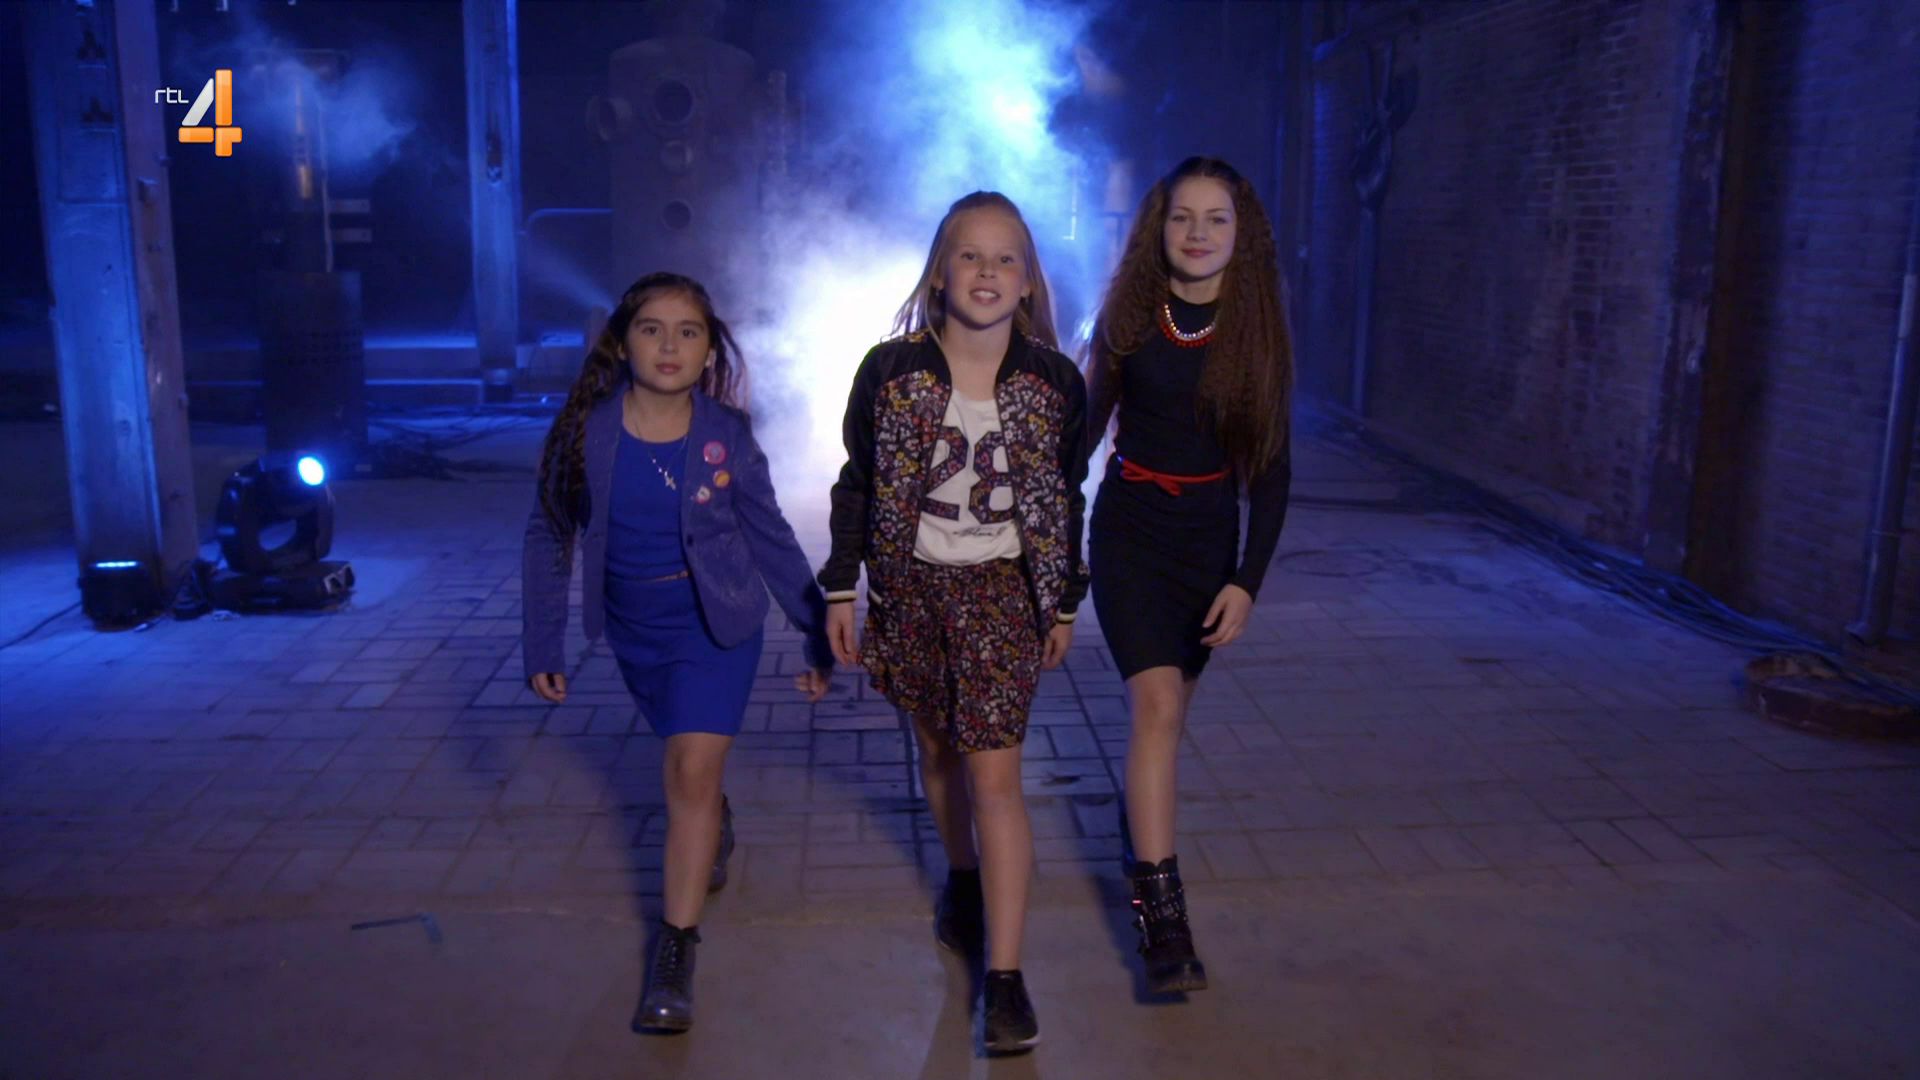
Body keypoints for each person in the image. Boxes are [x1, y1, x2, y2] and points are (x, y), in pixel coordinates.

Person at [521, 271, 833, 1033]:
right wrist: (542, 639)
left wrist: (816, 628)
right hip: (635, 630)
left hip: (717, 626)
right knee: (689, 766)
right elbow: (549, 532)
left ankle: (675, 949)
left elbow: (769, 536)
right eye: (651, 329)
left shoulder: (727, 435)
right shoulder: (586, 431)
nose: (670, 345)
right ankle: (713, 815)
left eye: (688, 331)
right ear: (622, 343)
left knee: (688, 770)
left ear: (709, 350)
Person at [819, 192, 1088, 1054]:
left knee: (994, 775)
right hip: (913, 592)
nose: (987, 272)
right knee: (938, 751)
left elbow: (1065, 495)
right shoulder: (890, 372)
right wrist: (841, 587)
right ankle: (963, 878)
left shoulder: (1054, 383)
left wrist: (1065, 597)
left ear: (1029, 282)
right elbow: (859, 482)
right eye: (970, 255)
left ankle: (1005, 979)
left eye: (1006, 258)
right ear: (940, 272)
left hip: (1003, 596)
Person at [1083, 156, 1295, 995]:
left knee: (1166, 727)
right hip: (1130, 531)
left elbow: (1271, 469)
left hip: (1208, 544)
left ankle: (1140, 831)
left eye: (1216, 218)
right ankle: (1164, 926)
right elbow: (1081, 435)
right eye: (1182, 217)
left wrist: (1247, 580)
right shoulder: (1132, 315)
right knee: (1158, 707)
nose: (1198, 233)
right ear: (1158, 227)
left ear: (1243, 234)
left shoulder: (1257, 329)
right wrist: (1048, 543)